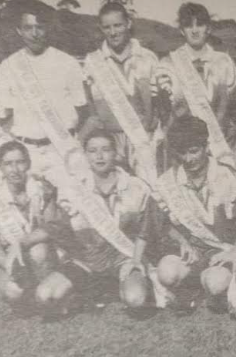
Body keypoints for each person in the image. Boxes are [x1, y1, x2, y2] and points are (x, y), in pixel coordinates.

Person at [35, 130, 157, 315]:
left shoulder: (136, 186)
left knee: (136, 299)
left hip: (124, 258)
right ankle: (94, 287)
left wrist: (137, 259)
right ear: (85, 155)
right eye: (93, 151)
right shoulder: (74, 189)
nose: (99, 156)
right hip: (87, 260)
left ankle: (116, 286)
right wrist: (49, 199)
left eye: (105, 150)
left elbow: (147, 229)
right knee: (45, 295)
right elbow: (57, 229)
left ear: (115, 153)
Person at [154, 116, 236, 315]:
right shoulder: (167, 182)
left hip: (223, 250)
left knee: (215, 284)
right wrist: (181, 241)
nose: (188, 159)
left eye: (193, 151)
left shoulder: (228, 176)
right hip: (193, 252)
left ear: (206, 146)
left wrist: (234, 251)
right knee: (166, 272)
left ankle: (211, 286)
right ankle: (194, 287)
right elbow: (160, 222)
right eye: (182, 152)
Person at [0, 6, 91, 184]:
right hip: (26, 153)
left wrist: (71, 142)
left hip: (62, 150)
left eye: (39, 27)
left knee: (71, 199)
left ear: (48, 28)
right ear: (19, 30)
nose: (34, 34)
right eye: (28, 28)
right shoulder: (8, 66)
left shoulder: (67, 63)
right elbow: (3, 116)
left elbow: (84, 112)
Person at [154, 3, 236, 168]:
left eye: (200, 24)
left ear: (208, 28)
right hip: (184, 148)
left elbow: (231, 105)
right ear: (182, 30)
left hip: (218, 143)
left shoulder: (223, 62)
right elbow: (166, 112)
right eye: (188, 25)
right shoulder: (168, 64)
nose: (194, 30)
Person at [83, 2, 161, 183]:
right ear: (101, 28)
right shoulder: (92, 61)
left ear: (128, 23)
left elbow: (159, 102)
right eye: (107, 27)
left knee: (149, 186)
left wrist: (151, 128)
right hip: (109, 139)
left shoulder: (147, 57)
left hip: (142, 137)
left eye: (118, 25)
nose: (113, 32)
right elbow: (90, 104)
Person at [0, 142, 57, 309]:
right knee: (13, 292)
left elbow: (51, 227)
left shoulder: (42, 188)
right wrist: (8, 263)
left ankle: (45, 292)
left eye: (20, 162)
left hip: (39, 251)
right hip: (7, 255)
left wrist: (21, 244)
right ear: (1, 167)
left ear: (29, 163)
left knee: (39, 251)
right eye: (8, 164)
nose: (15, 169)